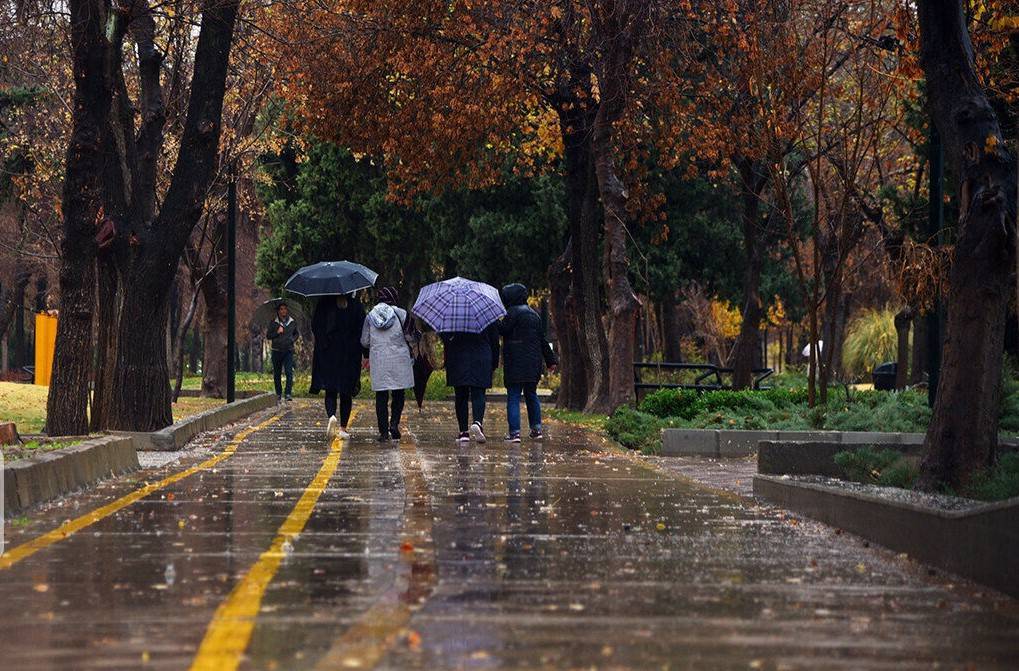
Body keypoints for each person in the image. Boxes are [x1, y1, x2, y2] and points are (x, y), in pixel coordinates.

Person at [499, 283, 558, 441]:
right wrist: (551, 360)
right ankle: (536, 430)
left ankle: (514, 433)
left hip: (515, 362)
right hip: (533, 363)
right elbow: (542, 340)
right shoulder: (534, 315)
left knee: (513, 395)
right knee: (531, 394)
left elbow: (503, 330)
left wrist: (495, 321)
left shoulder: (511, 313)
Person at [361, 286, 415, 442]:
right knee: (399, 393)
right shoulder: (402, 314)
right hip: (399, 359)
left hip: (379, 361)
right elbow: (411, 337)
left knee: (381, 395)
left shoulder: (370, 316)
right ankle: (394, 424)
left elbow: (364, 341)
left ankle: (383, 432)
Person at [311, 293, 365, 439]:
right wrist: (364, 353)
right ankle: (342, 428)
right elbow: (362, 331)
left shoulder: (324, 304)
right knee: (346, 391)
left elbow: (315, 326)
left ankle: (331, 416)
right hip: (349, 355)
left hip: (328, 353)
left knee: (330, 388)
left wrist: (323, 344)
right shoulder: (356, 306)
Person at [442, 323, 500, 443]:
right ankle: (477, 422)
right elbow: (495, 340)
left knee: (461, 395)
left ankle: (463, 432)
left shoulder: (453, 314)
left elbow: (445, 336)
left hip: (458, 356)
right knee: (478, 393)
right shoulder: (485, 314)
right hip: (481, 355)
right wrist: (494, 362)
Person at [266, 302, 300, 403]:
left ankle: (288, 393)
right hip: (276, 351)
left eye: (285, 309)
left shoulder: (292, 322)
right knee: (277, 374)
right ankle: (278, 393)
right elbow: (268, 336)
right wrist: (277, 332)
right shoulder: (273, 322)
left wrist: (292, 340)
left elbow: (296, 334)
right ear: (278, 311)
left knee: (289, 372)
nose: (283, 311)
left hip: (288, 351)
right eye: (281, 309)